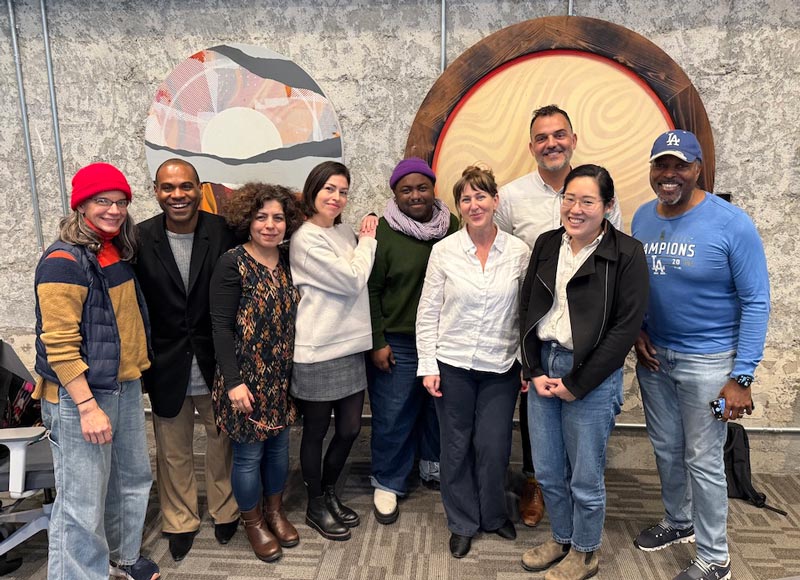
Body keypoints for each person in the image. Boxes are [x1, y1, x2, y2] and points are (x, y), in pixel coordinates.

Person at [631, 130, 770, 580]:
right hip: (656, 359)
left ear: (697, 169)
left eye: (680, 166)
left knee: (703, 459)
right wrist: (637, 331)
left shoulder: (732, 224)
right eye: (661, 165)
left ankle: (715, 559)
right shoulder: (641, 219)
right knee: (668, 450)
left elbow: (757, 301)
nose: (669, 175)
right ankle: (679, 522)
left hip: (709, 363)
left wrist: (742, 376)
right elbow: (637, 289)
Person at [495, 104, 623, 528]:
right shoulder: (511, 197)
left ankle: (580, 519)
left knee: (583, 439)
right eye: (542, 137)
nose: (551, 143)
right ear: (532, 146)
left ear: (573, 139)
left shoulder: (602, 192)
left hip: (587, 335)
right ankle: (537, 485)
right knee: (537, 424)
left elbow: (615, 261)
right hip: (534, 330)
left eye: (559, 135)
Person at [518, 164, 648, 579]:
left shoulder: (627, 254)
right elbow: (526, 310)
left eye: (587, 201)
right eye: (569, 199)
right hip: (545, 370)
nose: (575, 208)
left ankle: (586, 552)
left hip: (590, 374)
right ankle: (562, 538)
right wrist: (534, 367)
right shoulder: (546, 244)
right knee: (549, 470)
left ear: (607, 206)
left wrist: (578, 384)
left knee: (585, 476)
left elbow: (625, 329)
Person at [34, 162, 159, 580]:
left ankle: (122, 557)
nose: (114, 210)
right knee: (81, 503)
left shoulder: (113, 251)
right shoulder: (62, 261)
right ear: (81, 205)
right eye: (103, 201)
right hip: (80, 396)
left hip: (121, 386)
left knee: (131, 480)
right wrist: (87, 405)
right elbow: (59, 345)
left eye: (121, 201)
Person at [417, 165, 530, 558]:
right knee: (456, 446)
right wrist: (428, 365)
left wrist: (526, 363)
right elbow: (428, 311)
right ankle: (462, 521)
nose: (474, 204)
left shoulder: (518, 252)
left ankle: (494, 515)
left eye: (481, 196)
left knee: (494, 446)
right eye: (466, 198)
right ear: (459, 206)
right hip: (453, 364)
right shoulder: (444, 251)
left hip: (501, 366)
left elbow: (527, 313)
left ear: (495, 201)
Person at [134, 159, 239, 561]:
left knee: (222, 441)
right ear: (156, 191)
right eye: (167, 187)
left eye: (185, 186)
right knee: (172, 448)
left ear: (199, 188)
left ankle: (226, 510)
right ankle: (179, 519)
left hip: (218, 360)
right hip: (166, 362)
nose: (177, 195)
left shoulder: (224, 231)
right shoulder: (139, 238)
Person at [210, 183, 303, 562]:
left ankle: (275, 512)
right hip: (245, 380)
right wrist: (233, 382)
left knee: (279, 449)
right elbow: (220, 327)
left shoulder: (287, 261)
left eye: (277, 218)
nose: (270, 225)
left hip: (280, 378)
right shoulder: (232, 263)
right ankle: (253, 523)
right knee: (248, 457)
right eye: (261, 217)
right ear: (247, 221)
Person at [367, 157, 459, 524]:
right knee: (393, 413)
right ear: (395, 194)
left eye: (422, 187)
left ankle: (431, 466)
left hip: (443, 338)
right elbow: (371, 291)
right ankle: (388, 481)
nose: (415, 195)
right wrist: (377, 341)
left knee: (437, 410)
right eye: (407, 190)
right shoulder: (383, 232)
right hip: (398, 339)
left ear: (433, 189)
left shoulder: (453, 226)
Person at [289, 161, 378, 541]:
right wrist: (369, 241)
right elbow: (353, 280)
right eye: (329, 189)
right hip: (317, 349)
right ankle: (314, 504)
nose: (336, 197)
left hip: (351, 346)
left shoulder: (342, 231)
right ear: (313, 190)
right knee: (315, 432)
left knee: (350, 429)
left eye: (343, 191)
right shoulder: (305, 239)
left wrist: (361, 234)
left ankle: (328, 491)